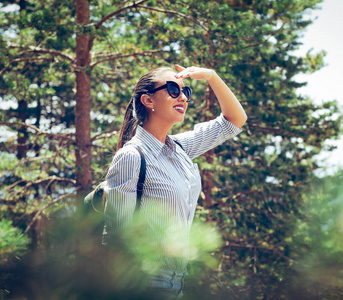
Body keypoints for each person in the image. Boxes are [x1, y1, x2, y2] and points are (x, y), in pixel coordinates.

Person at [103, 64, 247, 298]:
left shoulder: (180, 148)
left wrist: (212, 76)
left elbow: (234, 121)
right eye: (172, 89)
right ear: (148, 101)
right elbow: (117, 237)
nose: (182, 97)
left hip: (178, 283)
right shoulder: (131, 157)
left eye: (185, 91)